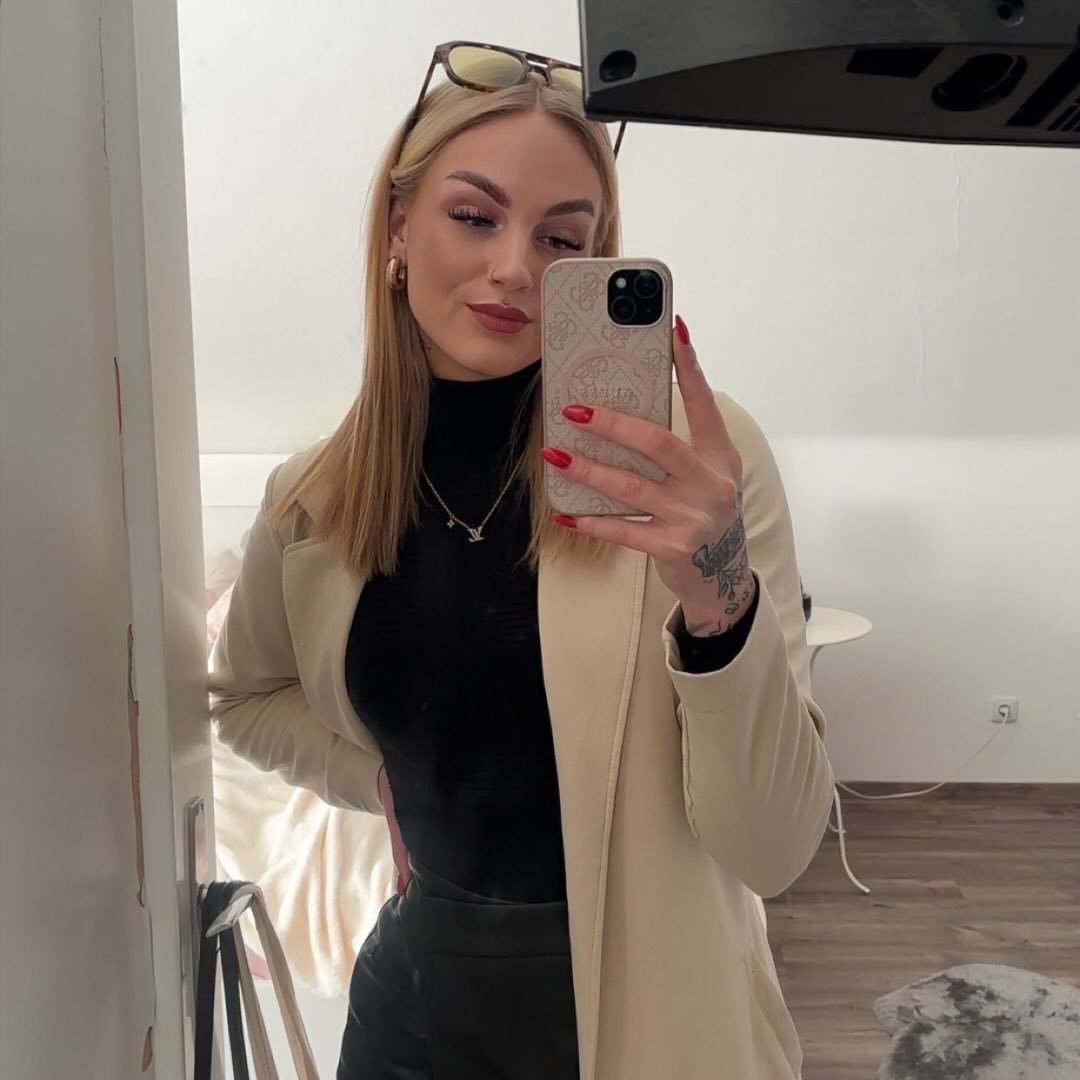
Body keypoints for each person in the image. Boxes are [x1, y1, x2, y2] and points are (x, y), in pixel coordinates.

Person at [209, 40, 835, 1080]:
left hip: (652, 1016)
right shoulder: (316, 497)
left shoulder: (693, 465)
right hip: (415, 1009)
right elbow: (246, 697)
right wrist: (378, 779)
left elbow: (773, 846)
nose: (515, 268)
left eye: (560, 238)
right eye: (473, 216)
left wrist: (718, 596)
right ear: (398, 226)